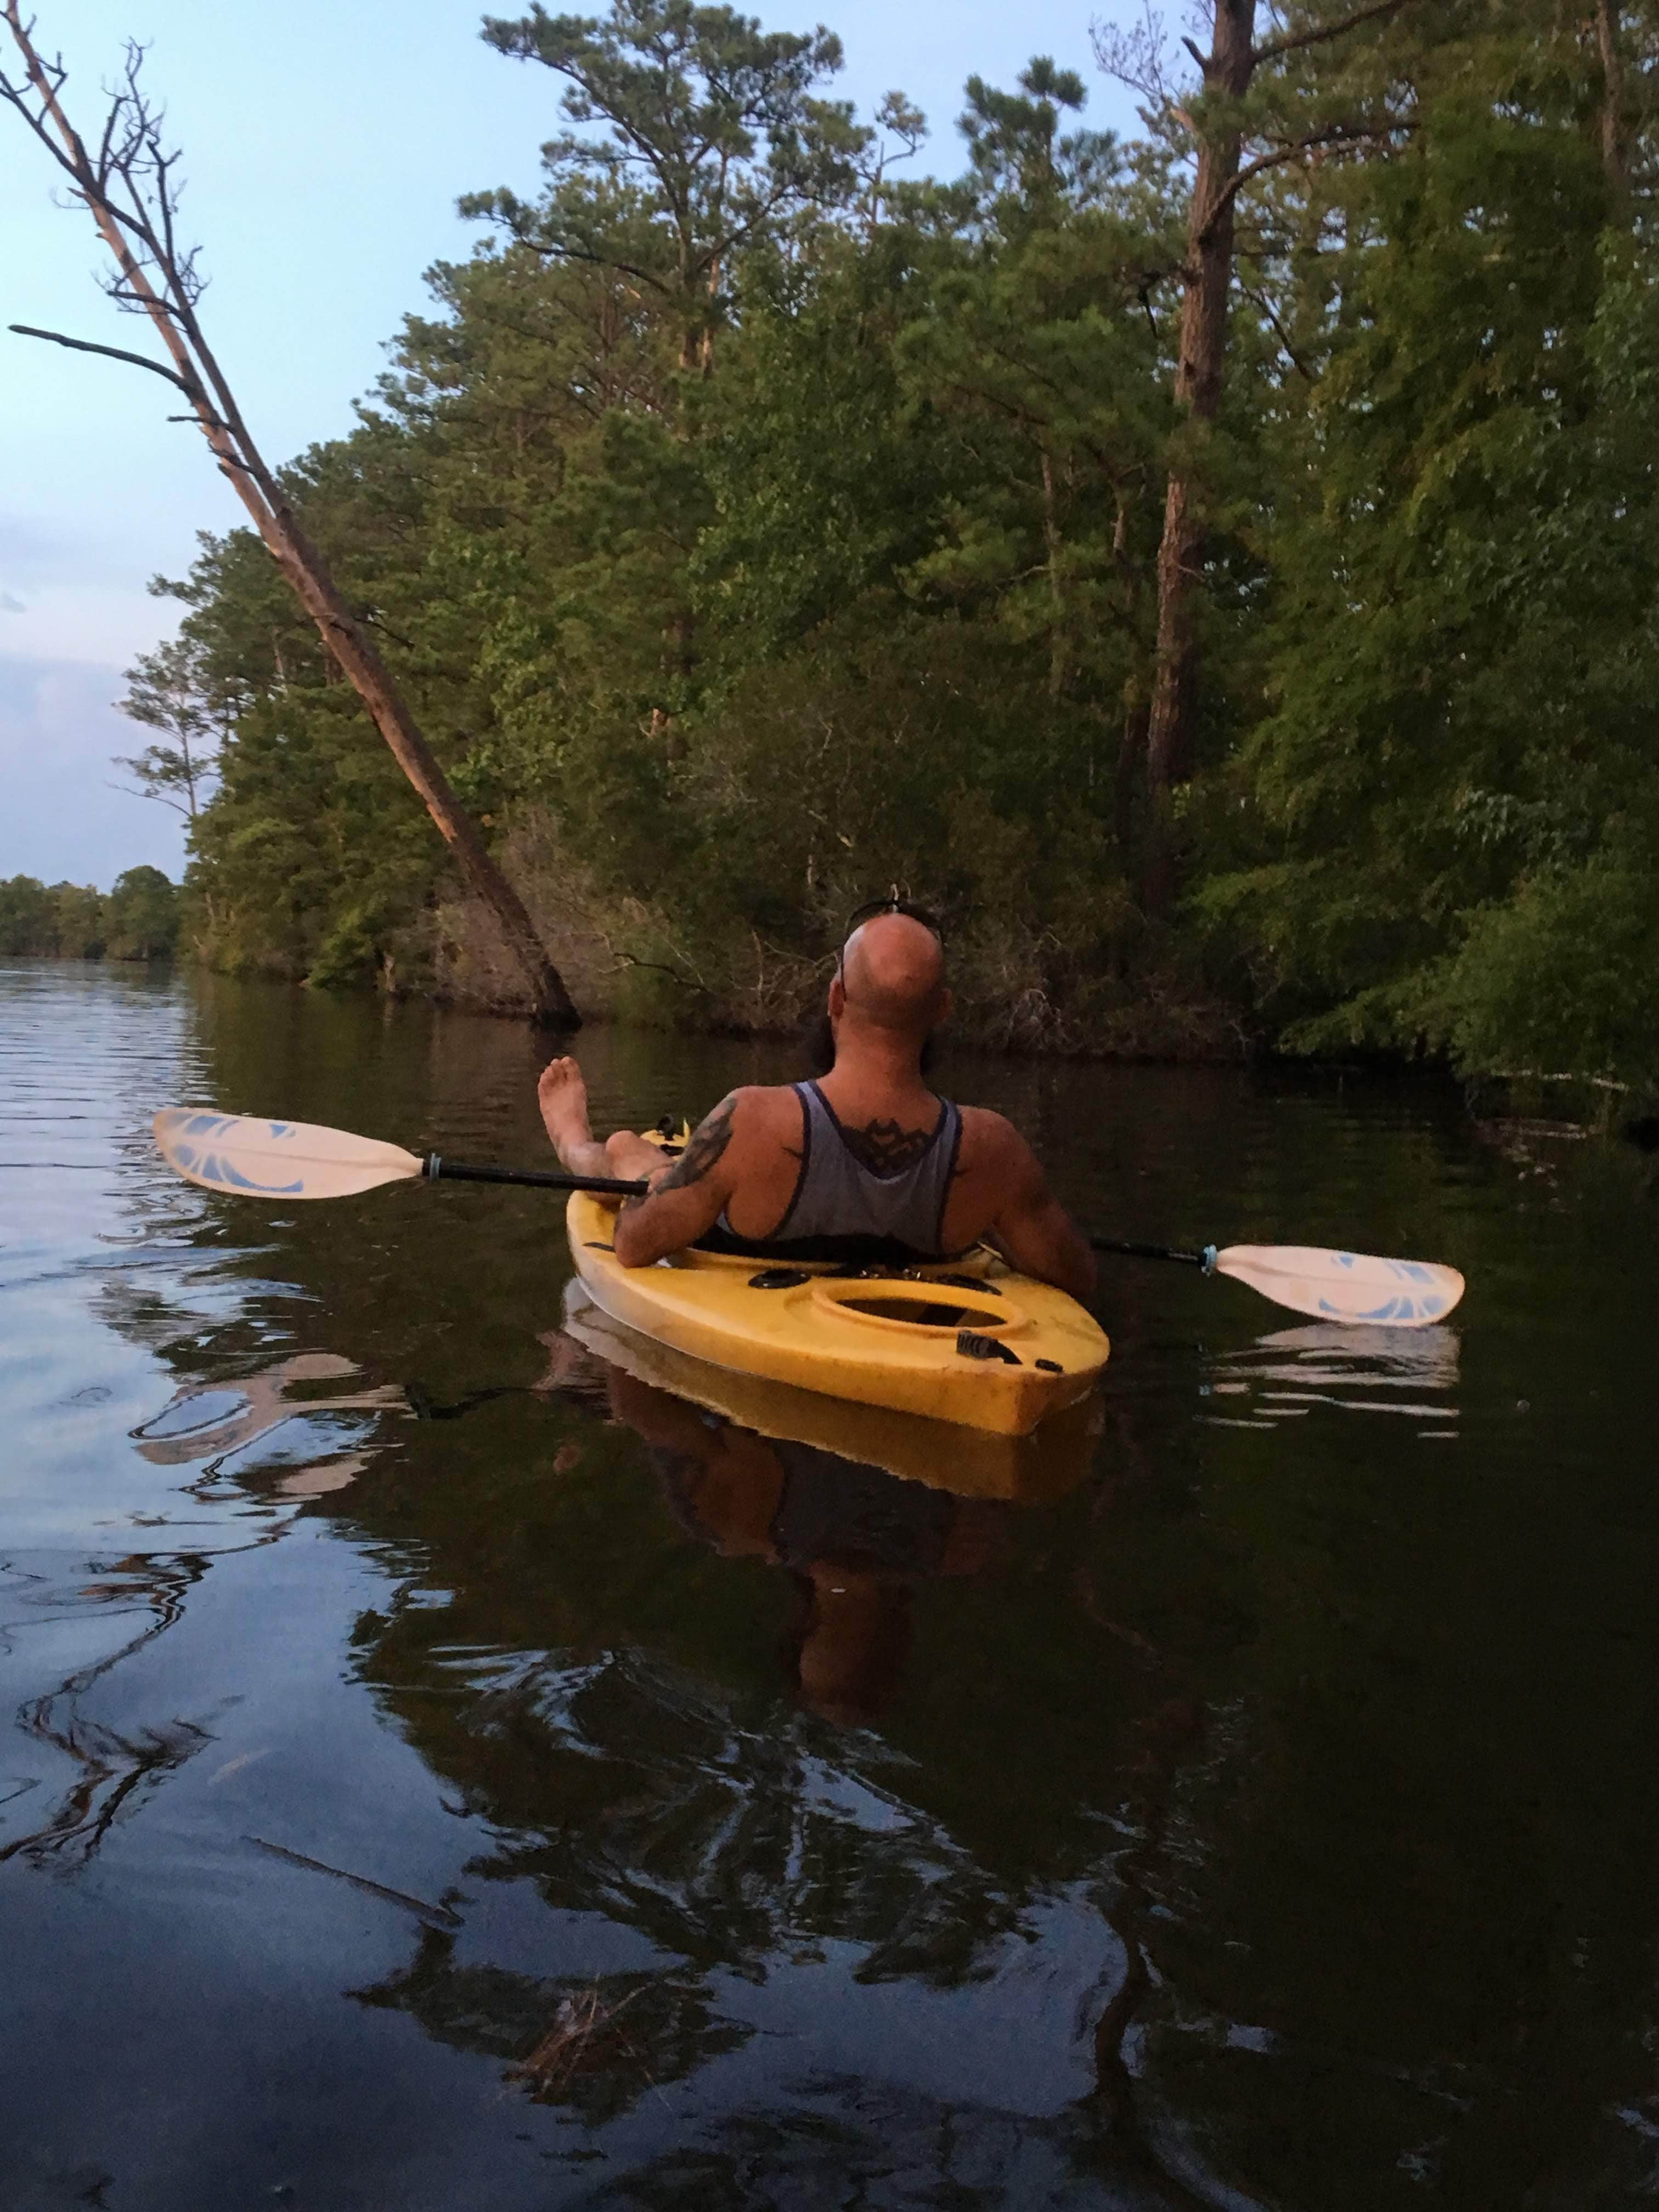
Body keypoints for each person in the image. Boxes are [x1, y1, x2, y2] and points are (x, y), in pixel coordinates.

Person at [537, 902, 1096, 1299]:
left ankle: (576, 1144)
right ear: (942, 1009)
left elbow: (633, 1245)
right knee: (639, 1156)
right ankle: (596, 1148)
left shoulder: (754, 1120)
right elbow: (1076, 1276)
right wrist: (990, 1216)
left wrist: (660, 1187)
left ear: (835, 998)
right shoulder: (991, 1149)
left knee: (630, 1153)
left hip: (729, 1234)